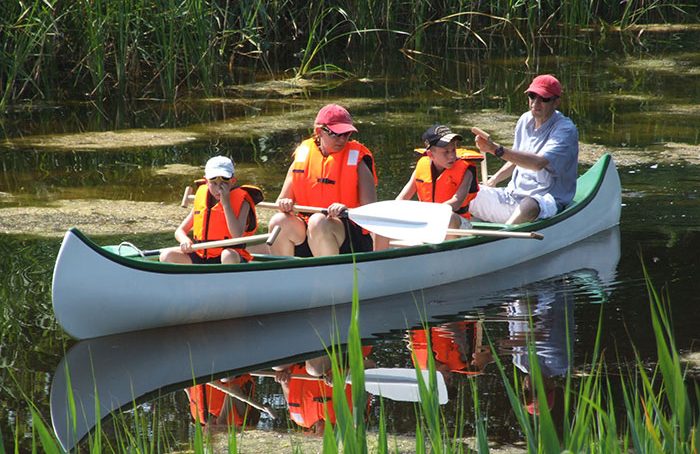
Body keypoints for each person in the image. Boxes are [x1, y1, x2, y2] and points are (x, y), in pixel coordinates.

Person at [268, 104, 378, 257]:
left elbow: (371, 211)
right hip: (309, 230)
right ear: (319, 131)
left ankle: (330, 276)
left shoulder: (357, 161)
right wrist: (284, 203)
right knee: (279, 221)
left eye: (346, 134)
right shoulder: (303, 156)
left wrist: (345, 210)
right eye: (336, 134)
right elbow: (281, 200)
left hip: (347, 234)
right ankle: (285, 274)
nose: (342, 139)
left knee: (318, 221)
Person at [470, 74, 579, 224]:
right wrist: (494, 179)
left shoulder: (565, 129)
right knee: (468, 191)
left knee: (529, 205)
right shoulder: (525, 119)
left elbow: (538, 163)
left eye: (544, 98)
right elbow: (516, 159)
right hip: (512, 196)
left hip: (546, 200)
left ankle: (505, 237)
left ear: (556, 102)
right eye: (532, 96)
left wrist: (496, 149)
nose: (536, 102)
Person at [160, 156, 258, 264]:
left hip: (230, 255)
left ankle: (227, 279)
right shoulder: (202, 197)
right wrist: (185, 240)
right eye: (214, 183)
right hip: (201, 254)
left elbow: (237, 235)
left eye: (224, 183)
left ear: (232, 181)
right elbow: (179, 231)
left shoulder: (243, 202)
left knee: (227, 256)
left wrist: (226, 205)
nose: (219, 189)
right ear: (206, 181)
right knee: (167, 256)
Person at [396, 125, 480, 234]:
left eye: (453, 150)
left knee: (449, 217)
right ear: (431, 154)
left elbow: (457, 202)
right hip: (428, 221)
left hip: (459, 223)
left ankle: (449, 249)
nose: (452, 156)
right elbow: (402, 199)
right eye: (446, 152)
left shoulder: (466, 171)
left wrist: (430, 214)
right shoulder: (421, 168)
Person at [185, 375, 261, 428]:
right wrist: (222, 418)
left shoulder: (201, 417)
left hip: (203, 373)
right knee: (226, 378)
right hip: (228, 373)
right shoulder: (242, 415)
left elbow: (189, 390)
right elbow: (234, 389)